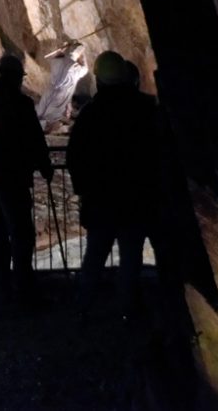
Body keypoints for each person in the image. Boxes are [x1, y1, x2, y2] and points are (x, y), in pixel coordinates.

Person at [67, 50, 160, 320]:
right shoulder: (146, 109)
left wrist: (84, 191)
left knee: (94, 256)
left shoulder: (90, 115)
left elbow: (76, 158)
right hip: (137, 198)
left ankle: (83, 307)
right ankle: (128, 310)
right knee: (131, 258)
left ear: (98, 79)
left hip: (101, 201)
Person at [0, 55, 53, 307]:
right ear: (16, 78)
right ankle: (24, 291)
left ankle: (2, 292)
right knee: (20, 235)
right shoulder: (20, 104)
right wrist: (45, 166)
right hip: (10, 178)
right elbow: (33, 138)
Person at [36, 40, 88, 133]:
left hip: (50, 91)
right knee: (50, 117)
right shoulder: (75, 67)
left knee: (41, 112)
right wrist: (82, 52)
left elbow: (58, 54)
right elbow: (85, 68)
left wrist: (64, 46)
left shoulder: (57, 61)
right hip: (61, 94)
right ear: (77, 54)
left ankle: (38, 128)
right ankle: (44, 130)